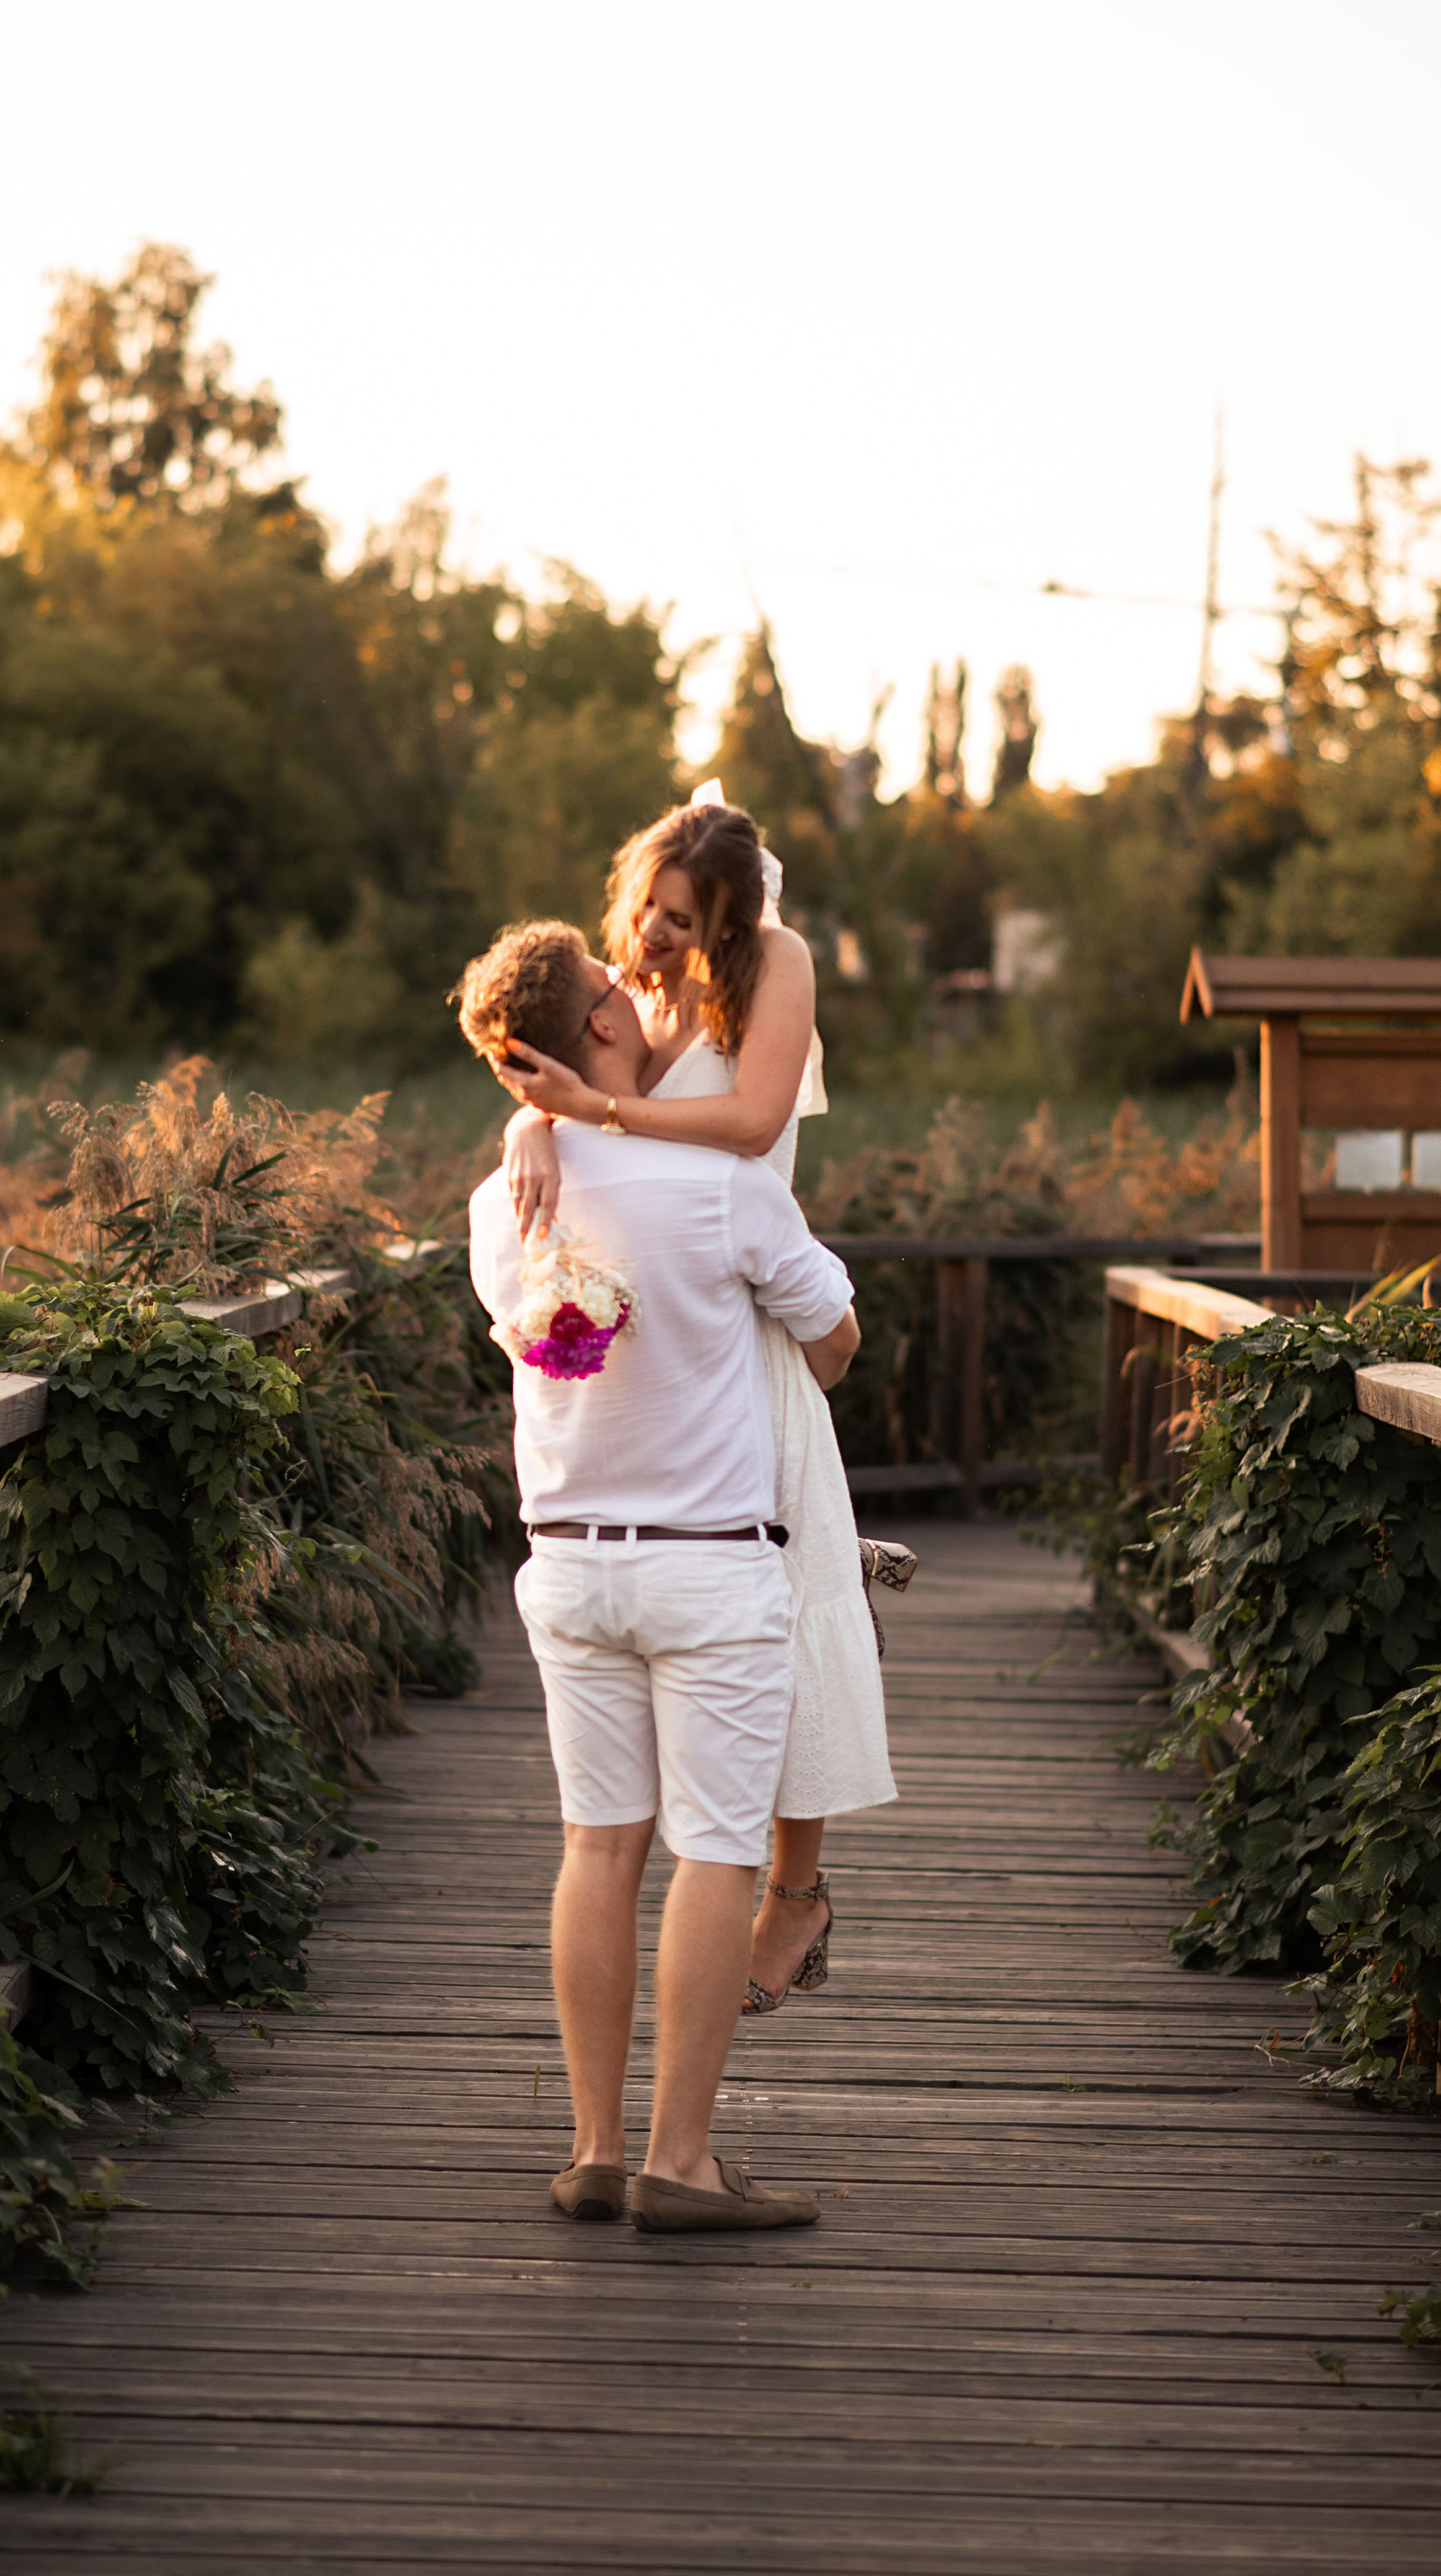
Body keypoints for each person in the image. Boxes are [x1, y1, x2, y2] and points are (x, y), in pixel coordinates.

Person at [457, 918, 861, 2232]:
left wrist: (543, 1128)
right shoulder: (723, 1183)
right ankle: (679, 2163)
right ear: (602, 1024)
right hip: (708, 1571)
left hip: (569, 1566)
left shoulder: (500, 1203)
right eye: (617, 981)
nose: (641, 988)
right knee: (716, 1854)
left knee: (597, 1845)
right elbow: (836, 1341)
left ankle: (591, 2147)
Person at [497, 793, 900, 2013]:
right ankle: (738, 1883)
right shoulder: (634, 987)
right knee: (732, 1609)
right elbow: (571, 1065)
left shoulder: (775, 964)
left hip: (756, 1304)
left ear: (730, 919)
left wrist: (593, 1113)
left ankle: (796, 1889)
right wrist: (530, 1123)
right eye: (647, 909)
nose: (655, 936)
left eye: (683, 919)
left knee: (794, 1591)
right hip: (681, 1321)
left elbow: (750, 1119)